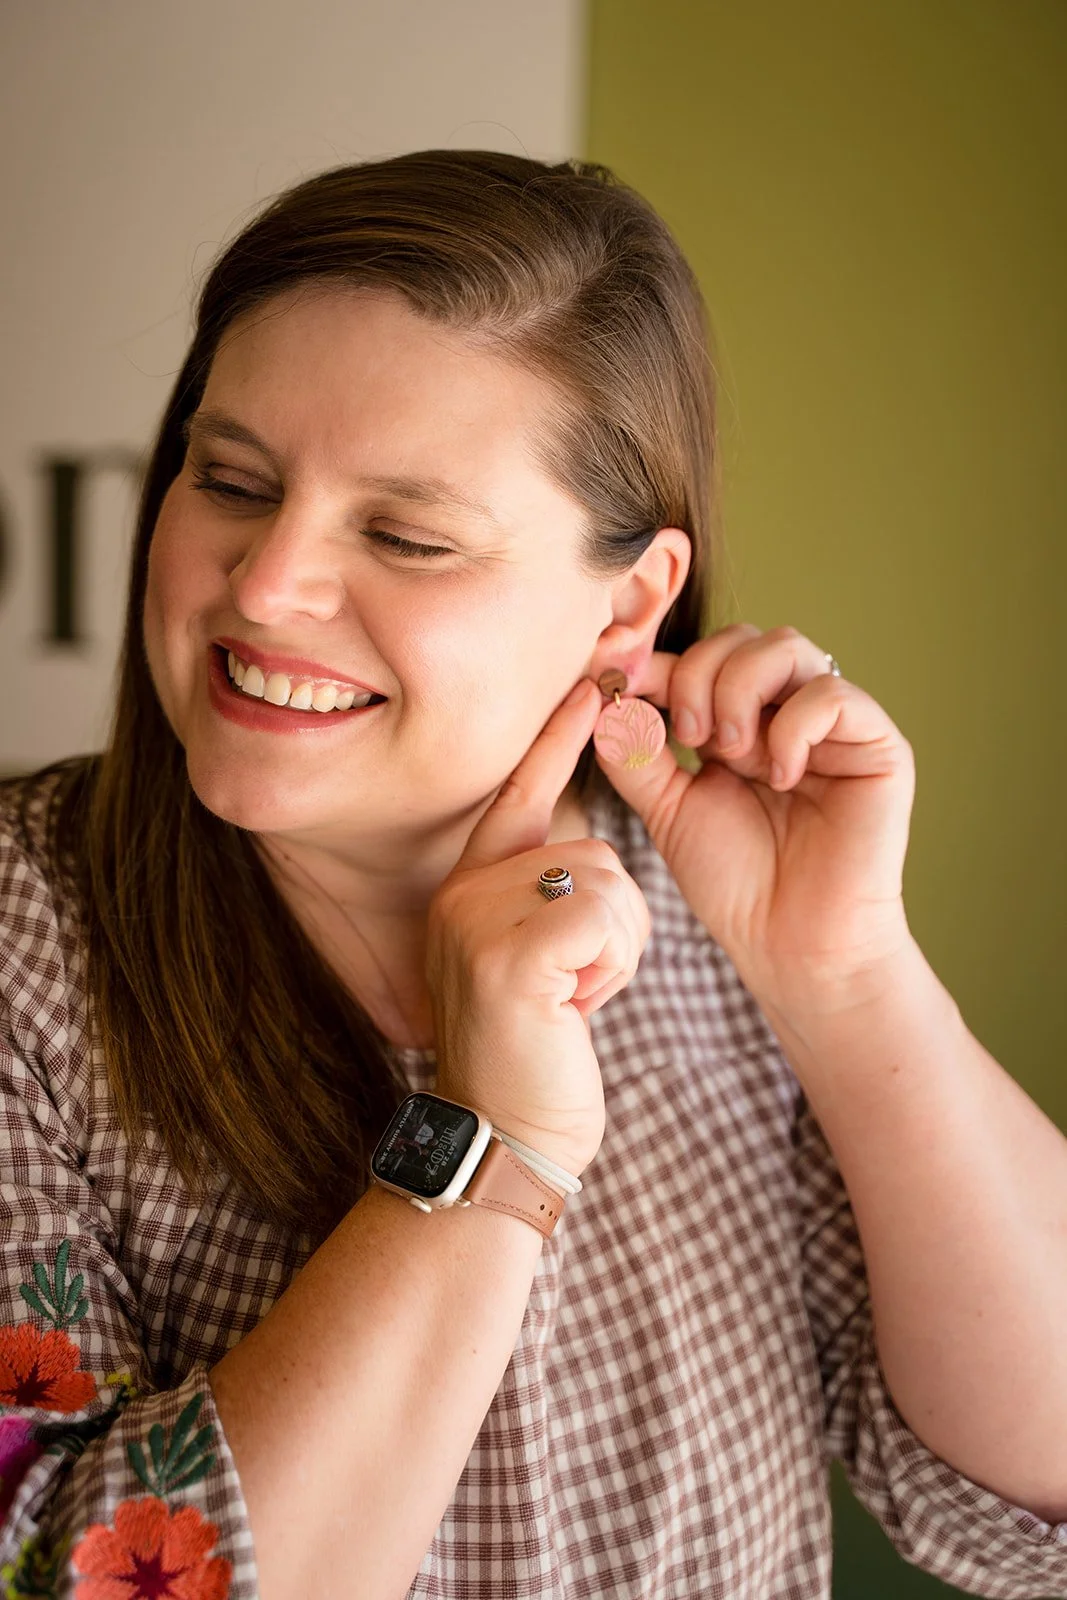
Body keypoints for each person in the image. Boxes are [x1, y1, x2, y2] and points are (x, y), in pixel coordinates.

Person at [0, 150, 1064, 1600]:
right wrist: (485, 1135)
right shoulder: (24, 946)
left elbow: (1026, 1509)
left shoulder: (711, 903)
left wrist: (847, 975)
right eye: (231, 479)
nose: (262, 584)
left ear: (628, 605)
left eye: (406, 534)